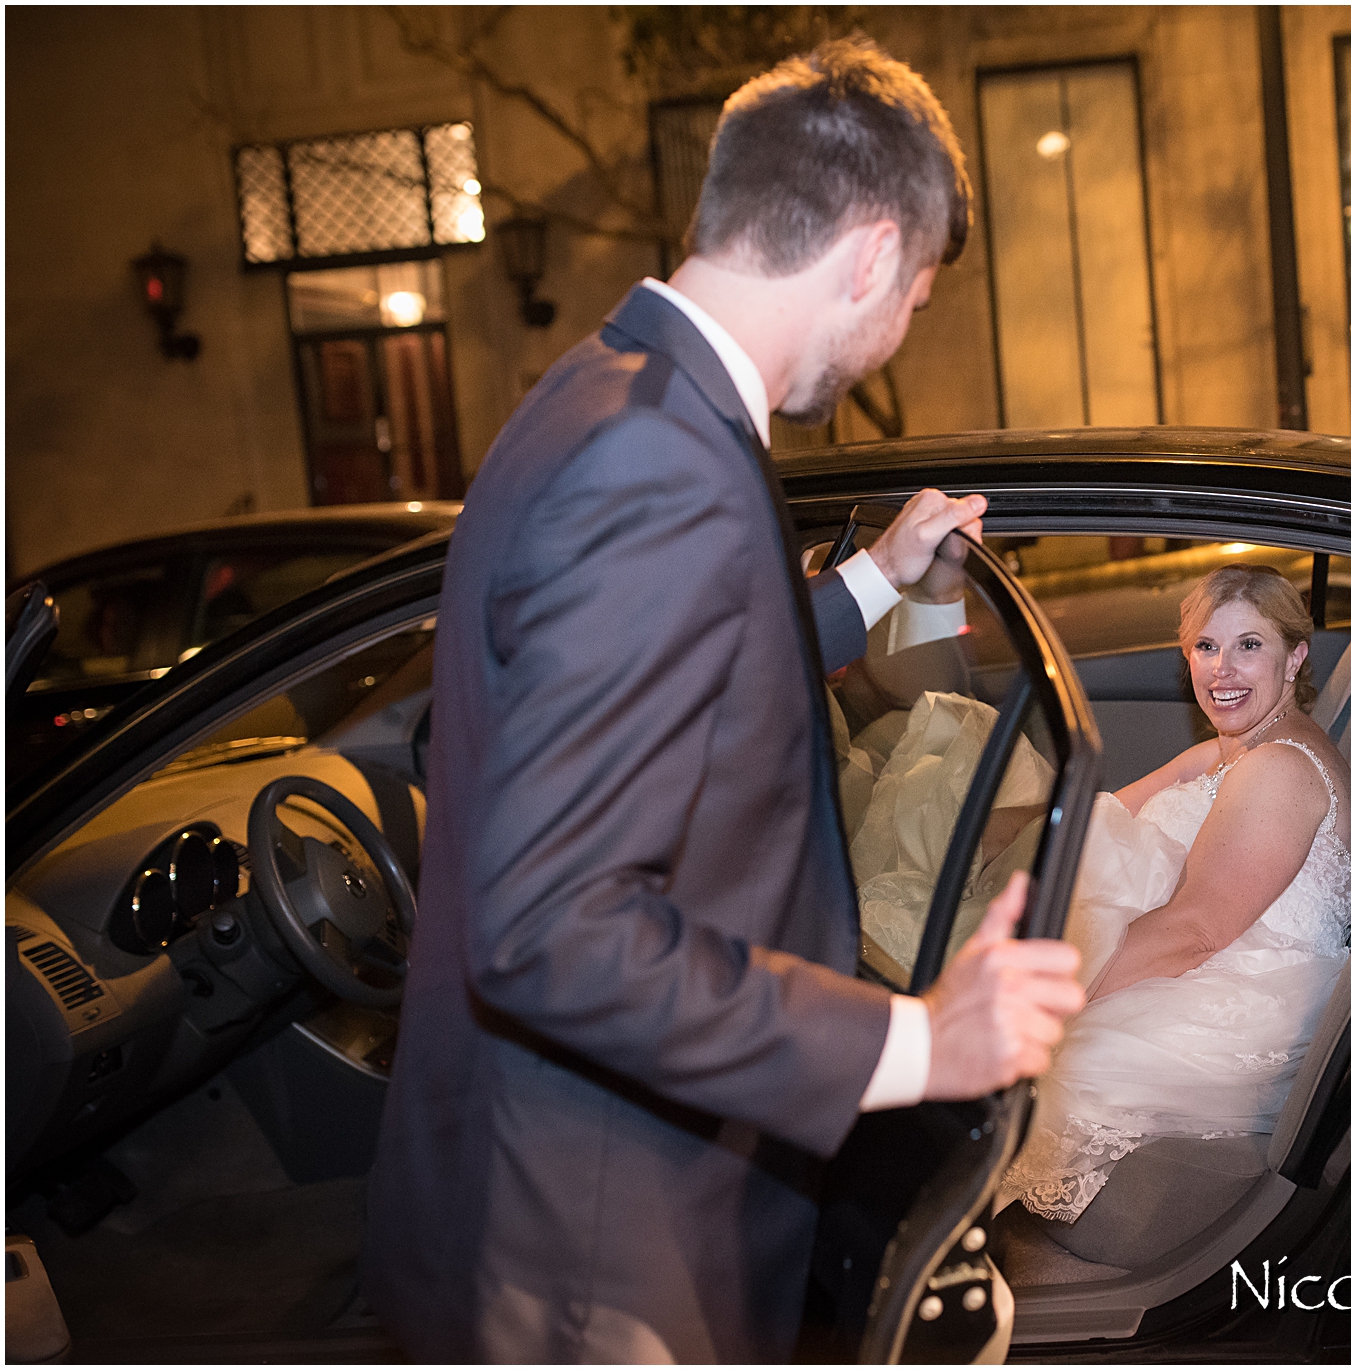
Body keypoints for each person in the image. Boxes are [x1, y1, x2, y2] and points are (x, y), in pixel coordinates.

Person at [362, 40, 1084, 1363]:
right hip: (596, 1241)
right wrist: (917, 1040)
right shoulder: (664, 459)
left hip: (578, 1183)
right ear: (870, 255)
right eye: (917, 295)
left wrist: (870, 581)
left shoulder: (613, 392)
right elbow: (551, 927)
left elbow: (677, 664)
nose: (898, 328)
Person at [993, 565, 1351, 1222]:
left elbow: (1196, 929)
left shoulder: (1280, 768)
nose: (1223, 670)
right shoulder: (1224, 750)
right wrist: (987, 833)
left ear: (1295, 656)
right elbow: (1098, 814)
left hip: (1237, 991)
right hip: (1183, 948)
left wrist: (1049, 1001)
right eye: (1206, 647)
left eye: (1249, 645)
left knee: (1031, 1069)